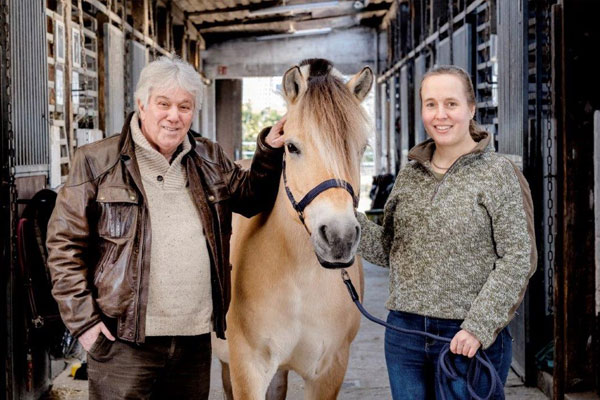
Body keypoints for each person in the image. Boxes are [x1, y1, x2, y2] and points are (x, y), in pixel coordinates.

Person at [46, 56, 285, 399]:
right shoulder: (96, 161)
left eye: (184, 106)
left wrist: (268, 152)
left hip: (193, 340)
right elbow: (63, 246)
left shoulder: (209, 158)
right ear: (142, 105)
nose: (174, 116)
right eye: (164, 104)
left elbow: (251, 199)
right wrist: (85, 324)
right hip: (122, 342)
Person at [358, 65, 536, 399]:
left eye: (451, 104)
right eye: (431, 104)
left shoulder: (498, 173)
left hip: (465, 340)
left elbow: (518, 259)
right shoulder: (410, 174)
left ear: (471, 108)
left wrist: (478, 327)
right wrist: (344, 222)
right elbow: (390, 250)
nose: (440, 115)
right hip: (404, 334)